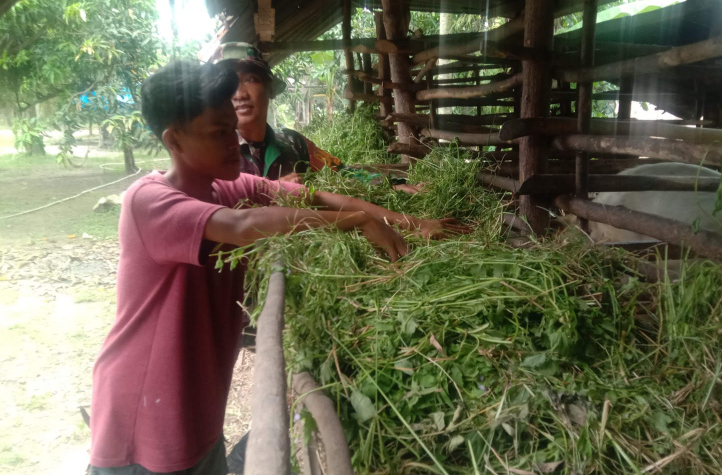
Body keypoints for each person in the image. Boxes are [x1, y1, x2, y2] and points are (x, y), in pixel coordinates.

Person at [88, 60, 468, 475]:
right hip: (144, 416)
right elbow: (244, 226)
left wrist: (412, 223)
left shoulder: (227, 187)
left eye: (231, 127)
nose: (234, 140)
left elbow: (316, 197)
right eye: (218, 132)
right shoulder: (149, 201)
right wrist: (357, 223)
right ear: (173, 140)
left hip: (198, 405)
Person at [210, 42, 423, 193]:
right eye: (229, 83)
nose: (240, 94)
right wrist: (271, 191)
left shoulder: (294, 143)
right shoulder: (211, 153)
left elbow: (340, 170)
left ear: (269, 88)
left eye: (250, 79)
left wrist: (392, 184)